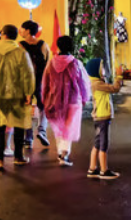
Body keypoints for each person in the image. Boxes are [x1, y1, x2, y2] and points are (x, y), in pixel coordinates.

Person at [0, 24, 35, 170]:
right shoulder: (21, 52)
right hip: (16, 93)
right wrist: (28, 93)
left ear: (3, 35)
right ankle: (18, 157)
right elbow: (28, 74)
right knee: (18, 125)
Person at [42, 35, 91, 167]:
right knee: (69, 128)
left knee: (59, 126)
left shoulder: (51, 63)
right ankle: (64, 154)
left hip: (54, 100)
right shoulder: (76, 63)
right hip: (73, 100)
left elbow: (45, 83)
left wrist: (45, 98)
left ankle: (60, 151)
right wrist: (85, 97)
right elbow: (83, 83)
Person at [86, 57, 122, 180]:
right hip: (102, 117)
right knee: (103, 144)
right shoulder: (98, 84)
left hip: (99, 117)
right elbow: (115, 88)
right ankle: (104, 170)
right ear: (96, 71)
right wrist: (119, 76)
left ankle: (92, 168)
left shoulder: (96, 82)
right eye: (101, 68)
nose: (103, 70)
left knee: (97, 142)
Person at [19, 20, 51, 148]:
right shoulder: (44, 45)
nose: (20, 31)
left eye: (21, 28)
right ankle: (42, 130)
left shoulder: (20, 45)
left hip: (25, 80)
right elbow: (48, 63)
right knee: (43, 106)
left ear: (27, 30)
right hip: (40, 79)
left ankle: (28, 138)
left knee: (26, 108)